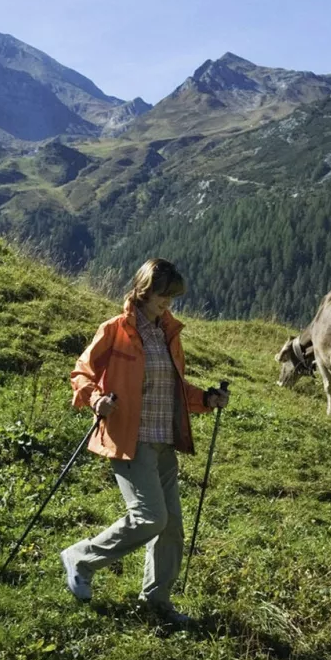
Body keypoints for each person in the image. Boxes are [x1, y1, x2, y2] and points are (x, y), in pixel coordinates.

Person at [60, 258, 229, 625]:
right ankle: (81, 558)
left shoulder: (168, 333)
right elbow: (82, 372)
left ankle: (156, 601)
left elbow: (174, 387)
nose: (168, 302)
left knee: (171, 528)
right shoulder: (115, 329)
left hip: (163, 439)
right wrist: (94, 399)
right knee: (150, 517)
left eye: (172, 295)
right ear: (143, 289)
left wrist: (205, 399)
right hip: (128, 438)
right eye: (162, 294)